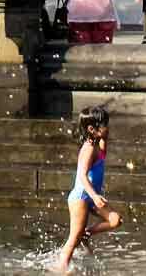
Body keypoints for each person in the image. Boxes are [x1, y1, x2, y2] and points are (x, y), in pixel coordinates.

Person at [52, 106, 121, 271]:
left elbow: (105, 141)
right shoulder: (88, 149)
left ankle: (86, 234)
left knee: (115, 220)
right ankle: (60, 268)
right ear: (92, 129)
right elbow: (82, 176)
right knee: (74, 237)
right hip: (82, 197)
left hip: (91, 197)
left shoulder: (99, 145)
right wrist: (95, 197)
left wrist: (103, 131)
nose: (108, 127)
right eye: (104, 124)